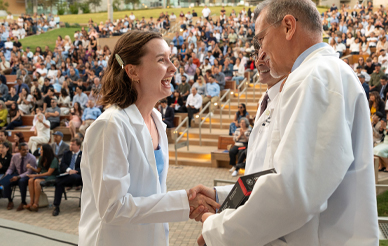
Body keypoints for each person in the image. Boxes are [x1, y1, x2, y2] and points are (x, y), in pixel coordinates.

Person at [194, 1, 378, 245]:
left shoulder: (314, 76)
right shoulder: (316, 75)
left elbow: (292, 191)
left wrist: (217, 229)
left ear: (289, 26)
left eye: (262, 38)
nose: (261, 51)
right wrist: (224, 196)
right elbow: (271, 175)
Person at [78, 30, 219, 246]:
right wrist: (184, 203)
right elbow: (113, 209)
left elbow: (151, 195)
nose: (173, 68)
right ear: (133, 71)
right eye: (162, 60)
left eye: (170, 59)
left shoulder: (156, 121)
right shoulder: (110, 126)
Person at [0, 143, 36, 211]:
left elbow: (29, 172)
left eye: (27, 149)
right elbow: (11, 168)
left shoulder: (32, 158)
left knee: (21, 181)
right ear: (19, 150)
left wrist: (18, 177)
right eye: (23, 150)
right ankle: (10, 200)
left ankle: (23, 201)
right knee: (7, 179)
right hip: (18, 174)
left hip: (27, 175)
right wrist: (7, 175)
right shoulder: (15, 157)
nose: (26, 151)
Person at [24, 144, 59, 212]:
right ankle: (31, 202)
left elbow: (49, 173)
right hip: (43, 175)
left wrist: (35, 175)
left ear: (46, 151)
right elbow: (39, 170)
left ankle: (36, 204)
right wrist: (31, 168)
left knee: (37, 181)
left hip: (52, 176)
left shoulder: (54, 159)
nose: (40, 151)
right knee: (30, 180)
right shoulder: (41, 158)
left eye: (41, 149)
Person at [52, 138, 83, 216]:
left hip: (78, 177)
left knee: (60, 180)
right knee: (59, 184)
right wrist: (69, 170)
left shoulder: (83, 155)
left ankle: (57, 181)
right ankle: (56, 206)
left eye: (73, 144)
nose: (71, 146)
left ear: (78, 146)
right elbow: (62, 164)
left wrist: (75, 171)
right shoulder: (67, 153)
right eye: (70, 144)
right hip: (67, 175)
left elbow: (85, 167)